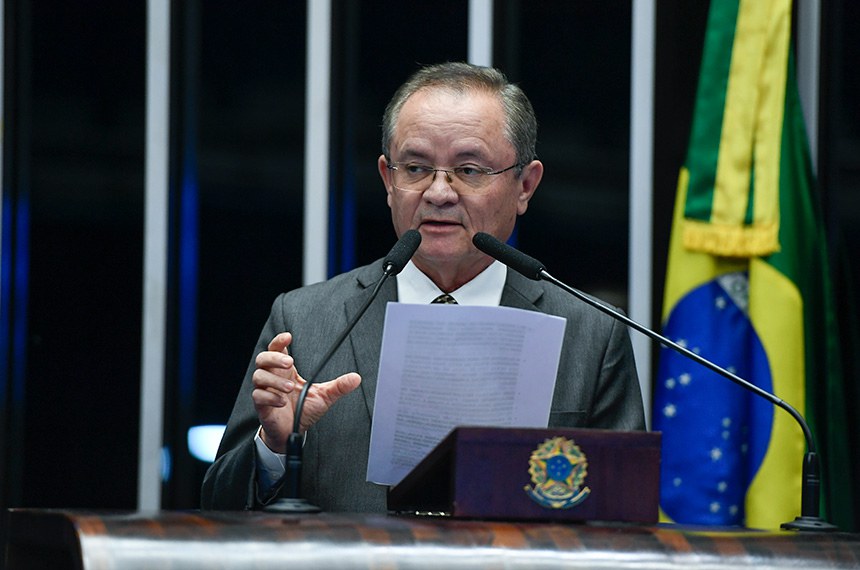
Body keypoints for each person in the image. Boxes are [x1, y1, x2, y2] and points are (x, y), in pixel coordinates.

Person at [201, 62, 645, 512]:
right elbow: (219, 507)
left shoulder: (589, 333)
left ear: (525, 186)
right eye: (415, 168)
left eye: (469, 170)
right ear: (388, 180)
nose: (439, 193)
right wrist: (275, 447)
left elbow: (625, 516)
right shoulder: (306, 321)